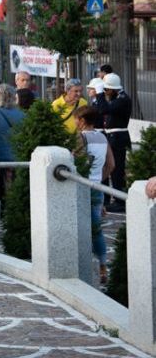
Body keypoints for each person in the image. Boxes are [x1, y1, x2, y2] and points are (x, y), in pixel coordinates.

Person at [72, 105, 114, 283]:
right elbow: (111, 165)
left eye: (75, 119)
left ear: (81, 121)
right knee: (96, 228)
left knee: (82, 228)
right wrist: (98, 178)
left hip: (82, 187)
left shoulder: (80, 138)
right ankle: (102, 265)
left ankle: (90, 267)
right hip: (97, 187)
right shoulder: (103, 138)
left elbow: (77, 164)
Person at [97, 73, 131, 212]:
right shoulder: (117, 97)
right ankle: (117, 199)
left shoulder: (122, 99)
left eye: (106, 89)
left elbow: (103, 109)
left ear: (113, 89)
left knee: (117, 170)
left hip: (118, 137)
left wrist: (99, 93)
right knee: (113, 169)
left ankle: (120, 201)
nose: (105, 92)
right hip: (113, 136)